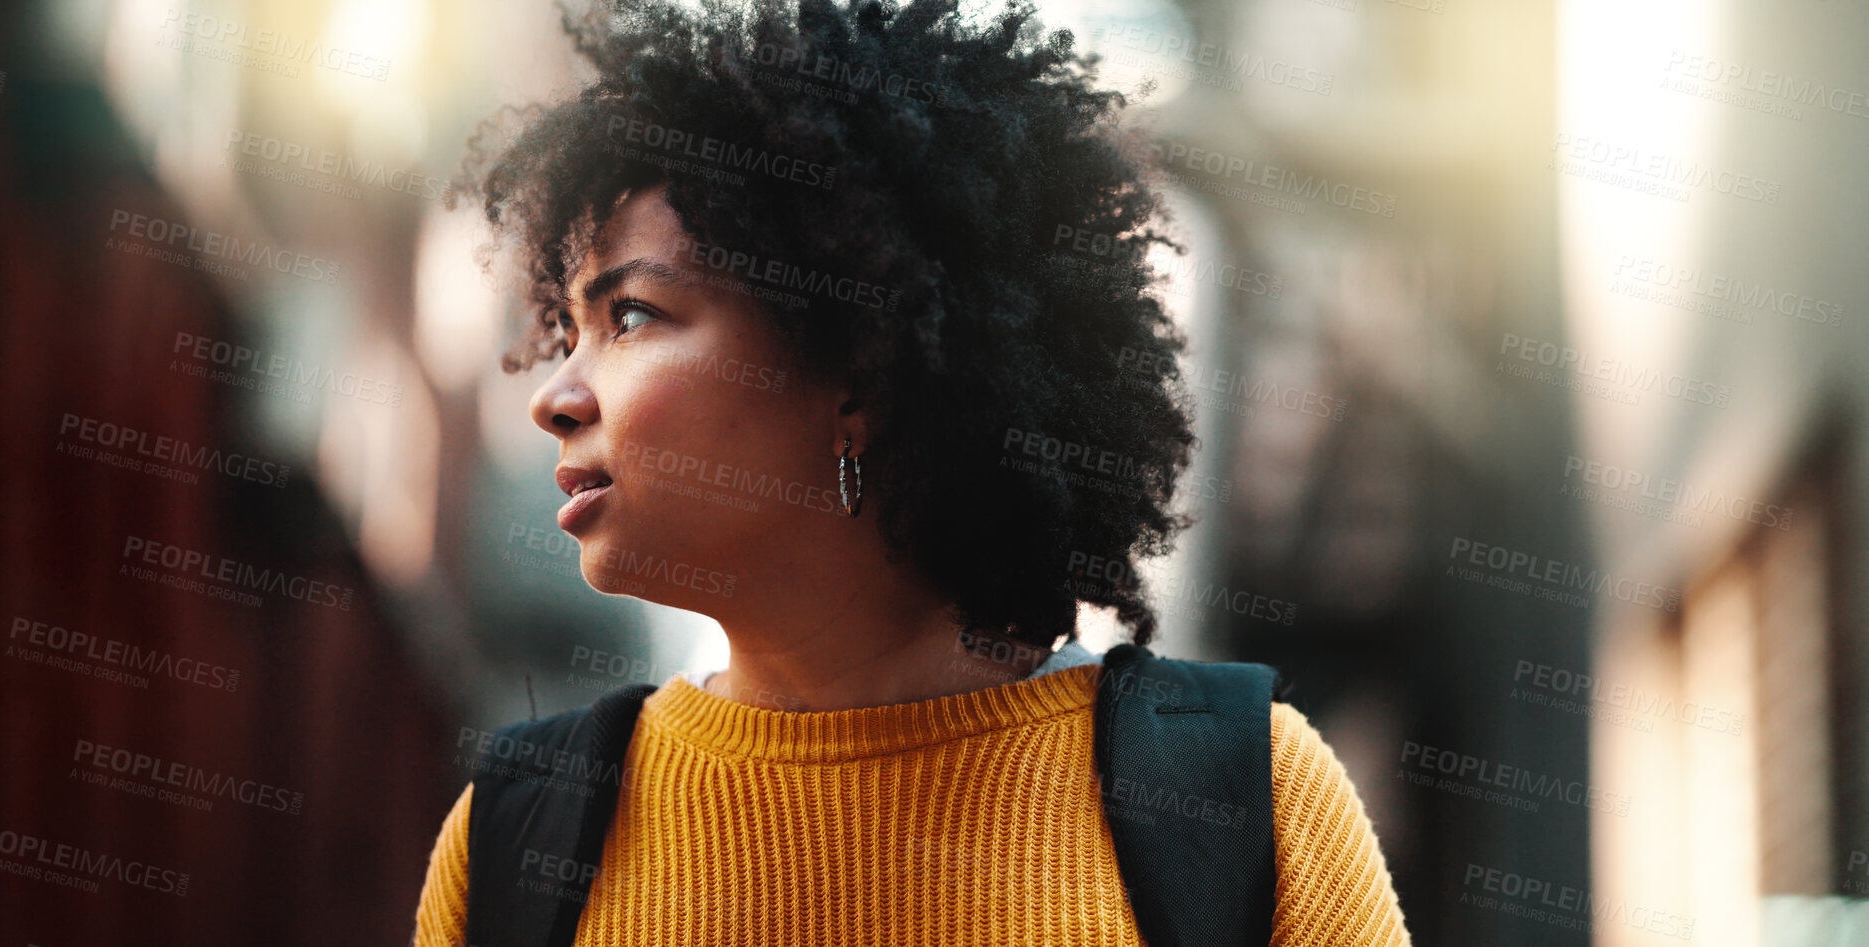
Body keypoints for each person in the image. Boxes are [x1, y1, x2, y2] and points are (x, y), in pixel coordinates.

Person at [416, 1, 1411, 944]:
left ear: (857, 367)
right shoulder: (516, 837)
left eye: (631, 315)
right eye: (568, 329)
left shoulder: (1242, 800)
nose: (555, 394)